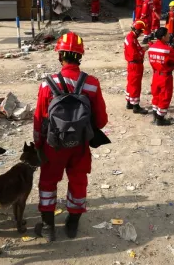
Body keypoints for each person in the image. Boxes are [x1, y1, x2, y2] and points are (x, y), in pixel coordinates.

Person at [33, 32, 108, 240]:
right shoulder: (92, 83)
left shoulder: (47, 84)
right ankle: (72, 224)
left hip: (53, 144)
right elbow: (101, 121)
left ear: (60, 56)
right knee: (78, 181)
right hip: (80, 144)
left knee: (48, 182)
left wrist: (39, 145)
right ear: (80, 57)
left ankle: (48, 227)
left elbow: (39, 119)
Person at [148, 27, 174, 126]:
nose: (169, 36)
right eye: (168, 34)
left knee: (156, 96)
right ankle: (160, 119)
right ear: (163, 37)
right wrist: (173, 65)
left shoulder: (151, 48)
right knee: (165, 97)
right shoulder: (167, 50)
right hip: (165, 77)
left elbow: (152, 62)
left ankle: (155, 116)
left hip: (156, 75)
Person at [124, 20, 149, 115]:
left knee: (131, 83)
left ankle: (129, 102)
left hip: (132, 64)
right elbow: (135, 54)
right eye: (141, 31)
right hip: (135, 65)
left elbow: (135, 49)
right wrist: (144, 50)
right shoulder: (131, 39)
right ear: (137, 30)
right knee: (135, 85)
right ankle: (136, 106)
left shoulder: (131, 37)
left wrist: (142, 48)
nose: (142, 33)